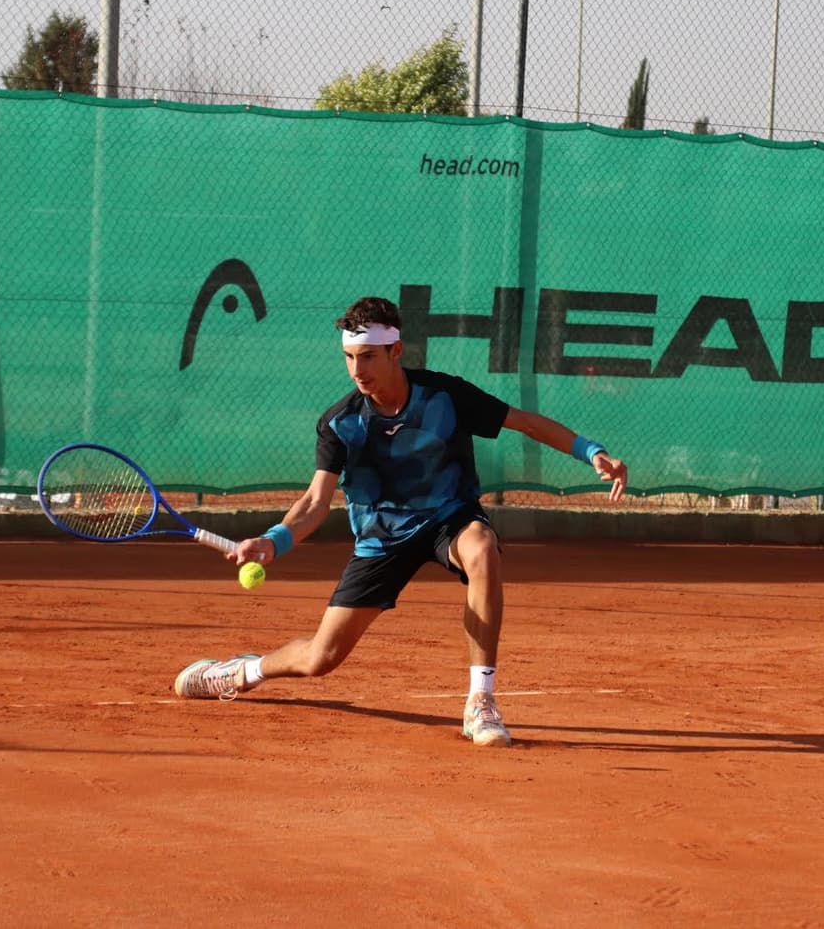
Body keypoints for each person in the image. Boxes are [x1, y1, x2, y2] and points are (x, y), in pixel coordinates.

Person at [173, 295, 627, 747]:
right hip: (381, 538)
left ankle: (480, 702)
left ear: (395, 351)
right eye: (349, 357)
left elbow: (525, 422)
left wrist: (592, 452)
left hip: (448, 517)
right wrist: (274, 540)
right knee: (320, 659)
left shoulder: (445, 396)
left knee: (482, 550)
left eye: (368, 356)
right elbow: (315, 502)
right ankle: (240, 671)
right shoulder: (340, 423)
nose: (357, 370)